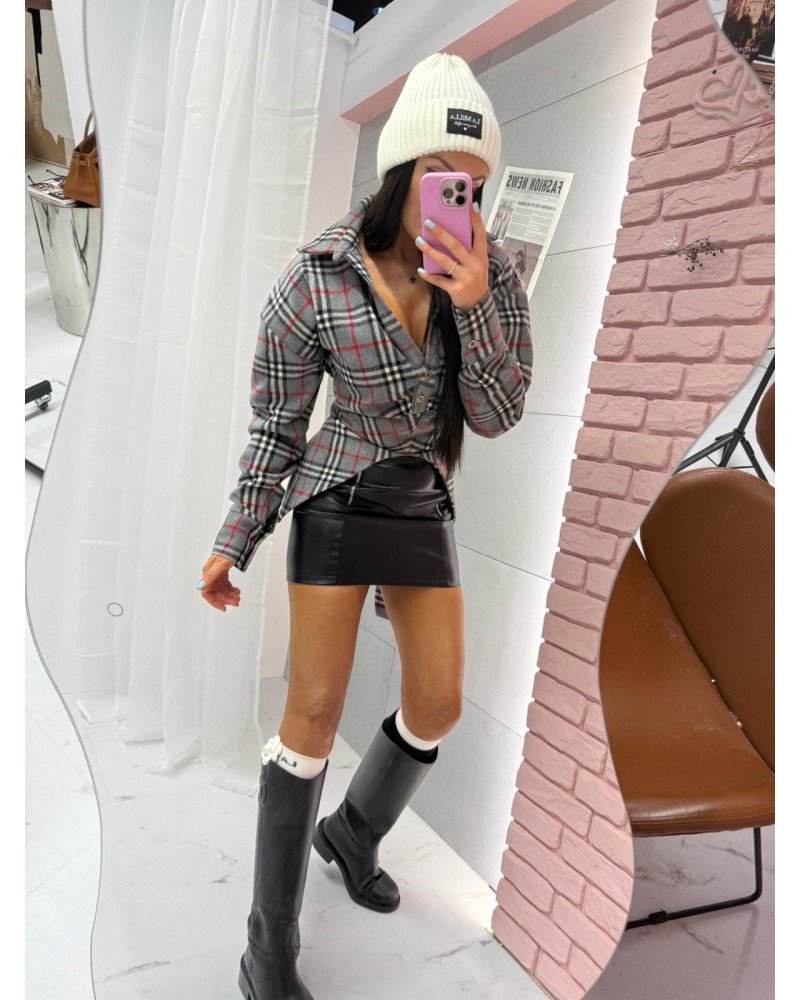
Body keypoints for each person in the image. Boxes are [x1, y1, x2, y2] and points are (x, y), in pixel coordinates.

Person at [198, 51, 533, 1000]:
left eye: (472, 185)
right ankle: (268, 947)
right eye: (440, 175)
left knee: (438, 704)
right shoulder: (315, 276)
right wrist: (235, 536)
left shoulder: (492, 275)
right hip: (337, 497)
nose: (456, 199)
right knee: (311, 712)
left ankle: (352, 833)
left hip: (422, 501)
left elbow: (500, 414)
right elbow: (277, 426)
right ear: (400, 169)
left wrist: (474, 306)